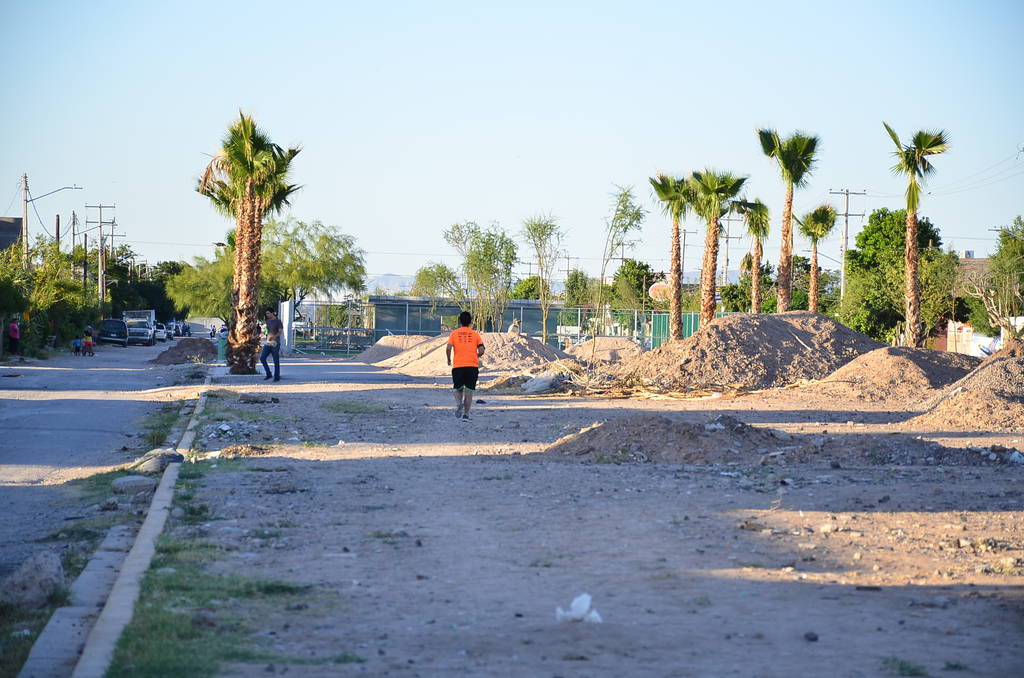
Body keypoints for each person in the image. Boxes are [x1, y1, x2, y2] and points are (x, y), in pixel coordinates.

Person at [445, 311, 485, 422]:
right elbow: (481, 350)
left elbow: (448, 348)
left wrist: (448, 359)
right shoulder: (475, 334)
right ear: (471, 321)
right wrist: (476, 356)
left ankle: (458, 404)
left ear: (459, 321)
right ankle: (466, 415)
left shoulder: (454, 334)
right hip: (472, 366)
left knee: (457, 388)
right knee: (469, 391)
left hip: (458, 366)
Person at [260, 308, 283, 382]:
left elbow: (280, 332)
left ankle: (277, 377)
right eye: (266, 313)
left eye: (268, 313)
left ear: (273, 313)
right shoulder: (267, 321)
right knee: (262, 358)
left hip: (275, 343)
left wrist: (274, 336)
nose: (267, 315)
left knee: (276, 360)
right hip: (268, 343)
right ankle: (268, 374)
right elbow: (266, 331)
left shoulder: (278, 322)